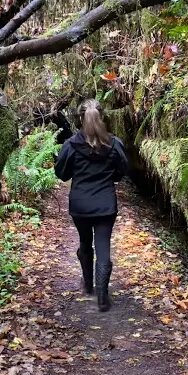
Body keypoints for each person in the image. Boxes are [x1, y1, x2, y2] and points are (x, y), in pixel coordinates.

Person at [54, 98, 128, 311]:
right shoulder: (114, 144)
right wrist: (108, 176)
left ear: (79, 119)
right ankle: (103, 298)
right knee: (103, 247)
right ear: (102, 117)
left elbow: (62, 173)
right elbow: (121, 172)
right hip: (105, 204)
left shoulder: (71, 145)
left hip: (80, 205)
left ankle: (88, 286)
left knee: (85, 243)